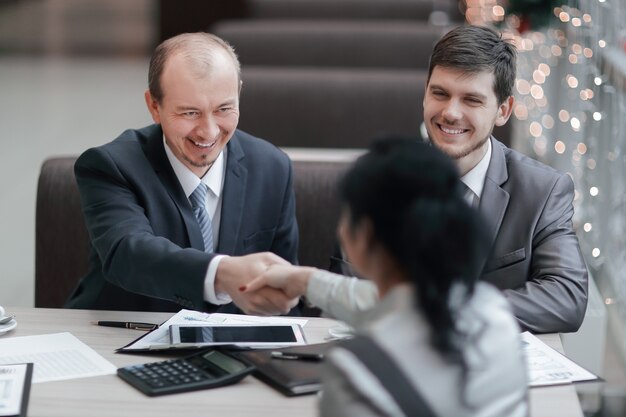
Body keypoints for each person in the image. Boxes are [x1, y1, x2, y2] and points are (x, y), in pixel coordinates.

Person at [247, 25, 588, 333]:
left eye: (471, 100)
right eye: (440, 93)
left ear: (503, 110)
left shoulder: (543, 189)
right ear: (424, 93)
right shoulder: (381, 180)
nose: (451, 112)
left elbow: (566, 298)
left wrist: (443, 312)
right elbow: (344, 291)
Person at [250, 138, 528, 416]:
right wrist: (304, 281)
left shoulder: (357, 372)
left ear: (365, 234)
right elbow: (395, 304)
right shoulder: (495, 313)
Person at [65, 32, 299, 315]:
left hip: (233, 349)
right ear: (154, 106)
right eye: (190, 113)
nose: (209, 132)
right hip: (120, 339)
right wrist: (221, 272)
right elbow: (128, 253)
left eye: (224, 108)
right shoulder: (110, 165)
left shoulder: (273, 167)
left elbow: (285, 294)